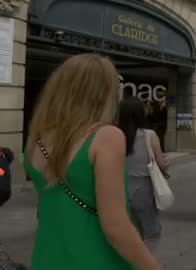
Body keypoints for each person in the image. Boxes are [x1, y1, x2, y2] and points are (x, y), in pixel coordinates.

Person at [24, 54, 161, 270]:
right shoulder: (107, 137)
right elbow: (115, 227)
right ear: (103, 94)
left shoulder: (36, 139)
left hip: (47, 258)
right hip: (96, 259)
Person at [119, 97, 169, 253]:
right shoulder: (149, 135)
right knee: (152, 233)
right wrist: (166, 165)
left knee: (133, 232)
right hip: (144, 190)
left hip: (121, 189)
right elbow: (161, 165)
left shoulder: (116, 135)